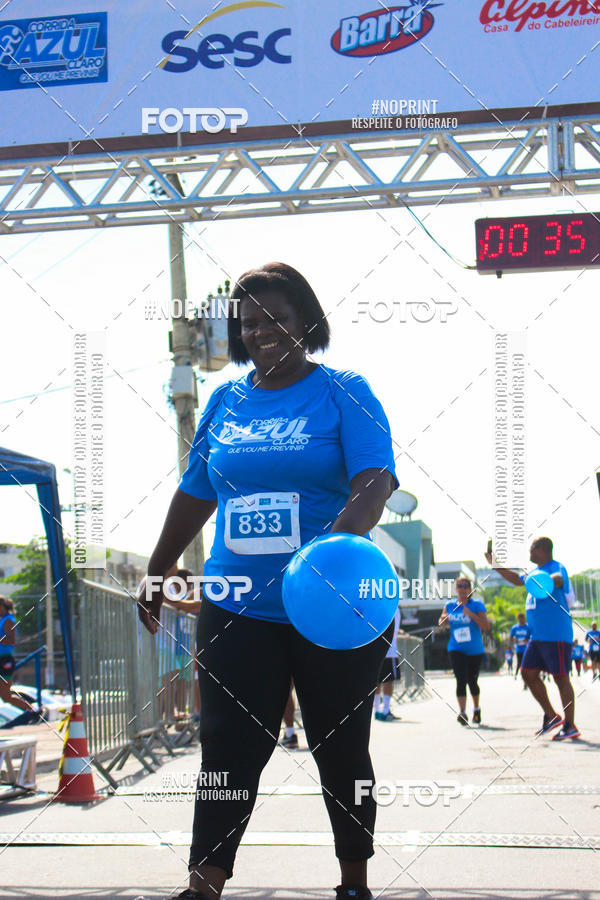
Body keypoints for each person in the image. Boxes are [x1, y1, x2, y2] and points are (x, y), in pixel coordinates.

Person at [137, 262, 398, 900]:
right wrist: (157, 566)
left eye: (276, 318)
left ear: (305, 320)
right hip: (237, 606)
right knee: (226, 748)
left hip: (331, 603)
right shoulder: (227, 401)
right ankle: (204, 883)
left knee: (341, 748)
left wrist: (334, 548)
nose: (262, 332)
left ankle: (353, 880)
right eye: (249, 322)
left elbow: (374, 481)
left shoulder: (345, 390)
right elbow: (196, 491)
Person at [486, 537, 579, 740]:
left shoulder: (556, 567)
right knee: (527, 673)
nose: (529, 551)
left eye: (532, 548)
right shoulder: (532, 572)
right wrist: (495, 565)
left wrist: (548, 580)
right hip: (537, 637)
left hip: (556, 634)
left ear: (543, 549)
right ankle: (552, 715)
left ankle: (570, 724)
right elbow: (513, 577)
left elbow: (558, 579)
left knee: (561, 678)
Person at [438, 577, 491, 726]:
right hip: (456, 648)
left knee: (472, 681)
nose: (462, 589)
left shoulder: (477, 605)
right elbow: (441, 624)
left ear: (470, 590)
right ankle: (462, 712)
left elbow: (486, 626)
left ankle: (476, 708)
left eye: (465, 586)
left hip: (474, 650)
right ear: (456, 589)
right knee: (460, 679)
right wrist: (443, 619)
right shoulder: (449, 605)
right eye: (459, 586)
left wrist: (471, 615)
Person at [0, 595, 39, 720]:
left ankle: (33, 710)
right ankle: (32, 710)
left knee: (6, 696)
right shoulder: (3, 619)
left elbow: (11, 640)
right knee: (6, 696)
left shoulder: (7, 620)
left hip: (4, 659)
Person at [373, 607, 402, 722]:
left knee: (377, 681)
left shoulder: (377, 607)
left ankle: (377, 710)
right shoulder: (394, 609)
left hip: (377, 651)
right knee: (388, 681)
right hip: (389, 651)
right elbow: (394, 630)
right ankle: (385, 710)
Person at [510, 612, 532, 682]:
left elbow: (533, 636)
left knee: (527, 664)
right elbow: (511, 637)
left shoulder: (528, 627)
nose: (521, 620)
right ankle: (519, 675)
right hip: (519, 649)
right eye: (519, 619)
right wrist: (514, 640)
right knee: (520, 663)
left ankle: (527, 679)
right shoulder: (515, 628)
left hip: (527, 648)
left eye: (522, 619)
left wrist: (528, 640)